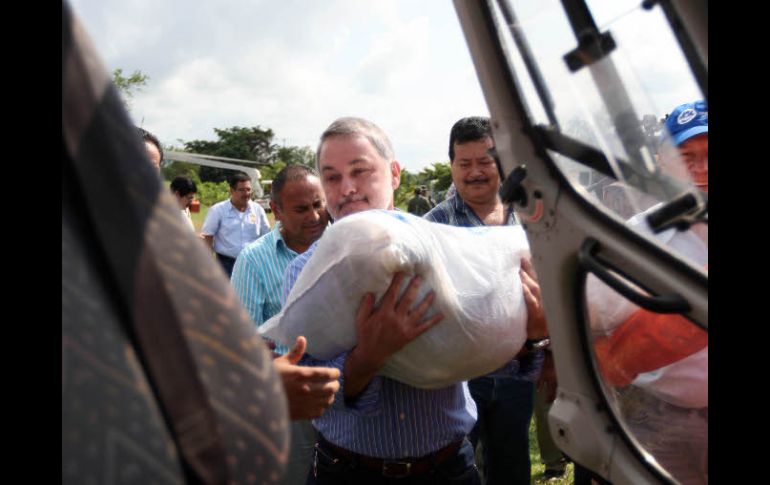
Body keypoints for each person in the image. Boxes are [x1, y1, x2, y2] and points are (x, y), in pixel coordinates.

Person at [281, 117, 547, 484]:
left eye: (360, 171)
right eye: (332, 177)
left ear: (393, 174)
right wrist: (367, 357)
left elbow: (477, 355)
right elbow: (314, 392)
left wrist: (528, 337)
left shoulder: (446, 249)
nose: (347, 189)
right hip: (348, 472)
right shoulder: (303, 276)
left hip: (446, 468)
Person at [588, 100, 708, 485]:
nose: (701, 168)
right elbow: (596, 323)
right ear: (661, 162)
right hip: (655, 418)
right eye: (686, 156)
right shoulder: (636, 240)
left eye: (709, 154)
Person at [425, 116, 546, 485]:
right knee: (456, 469)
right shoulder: (434, 226)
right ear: (452, 166)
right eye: (465, 163)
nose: (475, 172)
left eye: (485, 161)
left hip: (518, 372)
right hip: (459, 382)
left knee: (511, 464)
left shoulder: (530, 219)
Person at [231, 164, 332, 485]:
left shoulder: (345, 246)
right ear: (275, 210)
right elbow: (244, 340)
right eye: (301, 209)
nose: (314, 216)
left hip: (349, 391)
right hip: (293, 398)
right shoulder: (254, 259)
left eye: (319, 204)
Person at [201, 172, 271, 277]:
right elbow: (208, 237)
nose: (246, 193)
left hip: (252, 264)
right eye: (242, 190)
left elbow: (266, 236)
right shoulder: (218, 210)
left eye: (248, 189)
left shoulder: (258, 210)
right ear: (231, 191)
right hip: (226, 264)